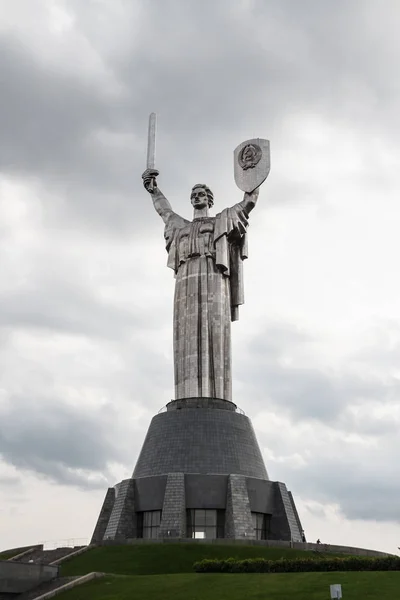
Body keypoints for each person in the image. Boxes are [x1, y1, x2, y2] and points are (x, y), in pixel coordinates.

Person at [142, 168, 259, 401]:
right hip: (186, 279)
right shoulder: (181, 227)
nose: (196, 197)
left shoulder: (222, 219)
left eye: (201, 194)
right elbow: (164, 211)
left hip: (214, 276)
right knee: (186, 332)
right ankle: (187, 395)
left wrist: (254, 178)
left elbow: (248, 204)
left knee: (214, 328)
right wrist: (154, 191)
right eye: (193, 194)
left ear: (209, 199)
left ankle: (216, 395)